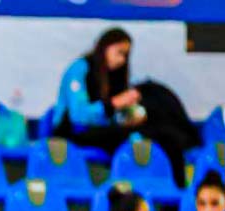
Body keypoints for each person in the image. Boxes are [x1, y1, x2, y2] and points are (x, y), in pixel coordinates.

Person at [52, 27, 195, 188]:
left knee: (165, 136)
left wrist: (132, 116)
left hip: (107, 130)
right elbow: (79, 116)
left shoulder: (115, 77)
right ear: (105, 47)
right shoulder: (80, 69)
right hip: (75, 131)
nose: (122, 60)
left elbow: (115, 118)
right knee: (126, 139)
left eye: (126, 55)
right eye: (119, 52)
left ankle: (178, 193)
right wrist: (115, 103)